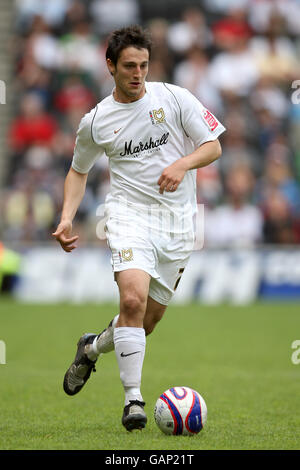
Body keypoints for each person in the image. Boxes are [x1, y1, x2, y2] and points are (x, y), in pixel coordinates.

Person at [52, 25, 225, 431]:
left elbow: (214, 144)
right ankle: (134, 401)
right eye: (129, 66)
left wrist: (182, 164)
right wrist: (65, 216)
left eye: (144, 65)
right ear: (110, 66)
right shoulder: (95, 122)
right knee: (131, 302)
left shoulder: (174, 97)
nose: (138, 73)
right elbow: (78, 172)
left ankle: (91, 348)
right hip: (128, 216)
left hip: (178, 224)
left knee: (145, 323)